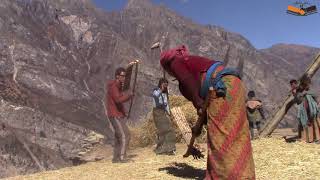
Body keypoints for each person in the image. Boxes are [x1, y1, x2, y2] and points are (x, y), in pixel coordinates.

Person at [160, 45, 255, 179]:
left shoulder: (175, 62)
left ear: (167, 66)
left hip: (220, 87)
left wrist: (198, 104)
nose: (170, 73)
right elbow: (202, 110)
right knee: (237, 132)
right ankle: (244, 175)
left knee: (219, 136)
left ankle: (223, 176)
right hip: (235, 84)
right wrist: (200, 125)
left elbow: (188, 81)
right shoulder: (190, 61)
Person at [106, 67, 134, 163]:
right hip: (115, 115)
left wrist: (123, 112)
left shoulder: (118, 86)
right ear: (117, 76)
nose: (124, 78)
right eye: (122, 76)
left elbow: (118, 101)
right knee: (125, 135)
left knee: (119, 137)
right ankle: (122, 157)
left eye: (125, 76)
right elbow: (118, 99)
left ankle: (116, 158)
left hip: (117, 114)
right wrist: (129, 96)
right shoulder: (114, 86)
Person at [152, 78, 176, 155]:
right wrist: (161, 89)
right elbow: (156, 96)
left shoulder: (165, 93)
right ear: (161, 84)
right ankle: (167, 149)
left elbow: (166, 105)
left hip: (162, 112)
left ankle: (164, 149)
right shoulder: (156, 90)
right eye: (164, 84)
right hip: (157, 112)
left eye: (166, 84)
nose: (165, 86)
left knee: (164, 130)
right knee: (167, 130)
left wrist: (169, 113)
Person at [293, 76, 320, 143]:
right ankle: (306, 138)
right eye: (305, 84)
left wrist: (316, 105)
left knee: (314, 122)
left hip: (312, 109)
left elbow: (316, 97)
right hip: (304, 110)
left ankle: (317, 138)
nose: (307, 86)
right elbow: (298, 100)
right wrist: (300, 95)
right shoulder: (299, 91)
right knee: (304, 123)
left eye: (308, 84)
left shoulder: (310, 90)